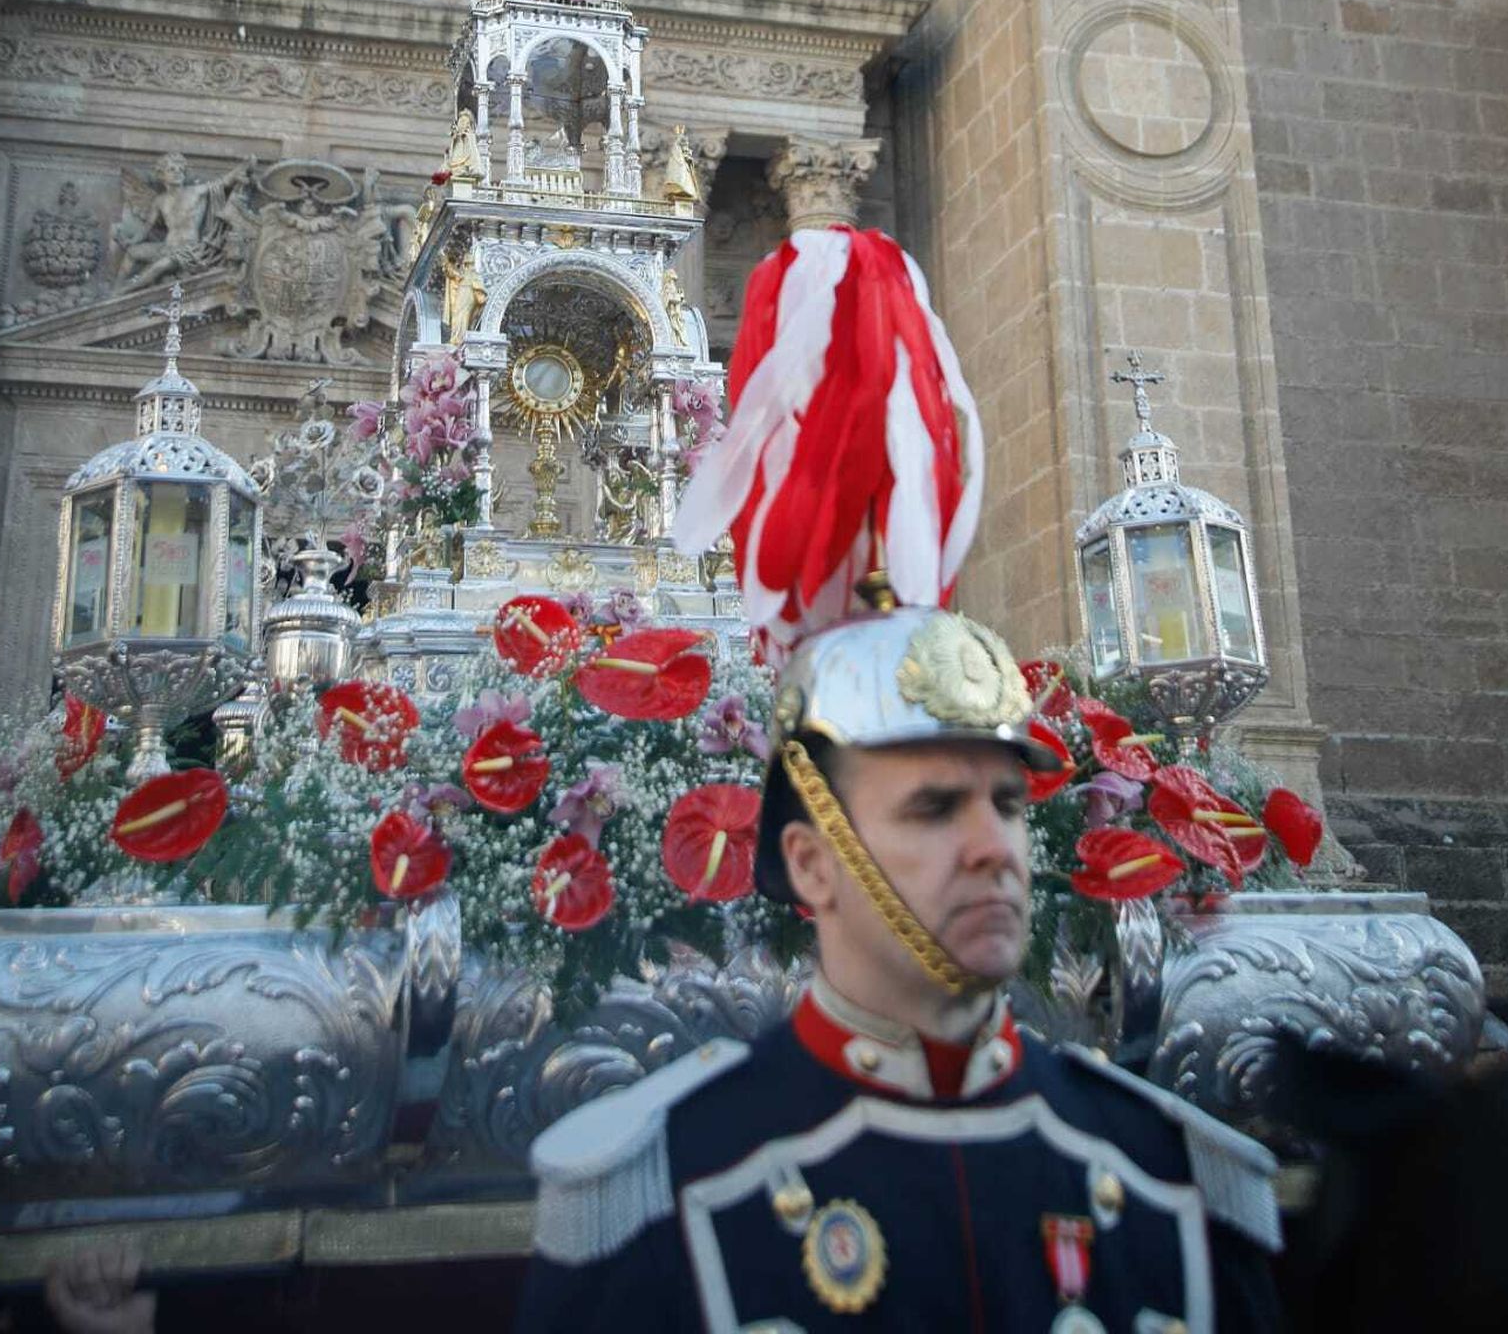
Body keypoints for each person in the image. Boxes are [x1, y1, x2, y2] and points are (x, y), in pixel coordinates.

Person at [519, 226, 1284, 1333]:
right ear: (808, 861)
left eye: (1007, 802)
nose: (994, 848)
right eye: (932, 807)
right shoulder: (666, 1198)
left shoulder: (1167, 1183)